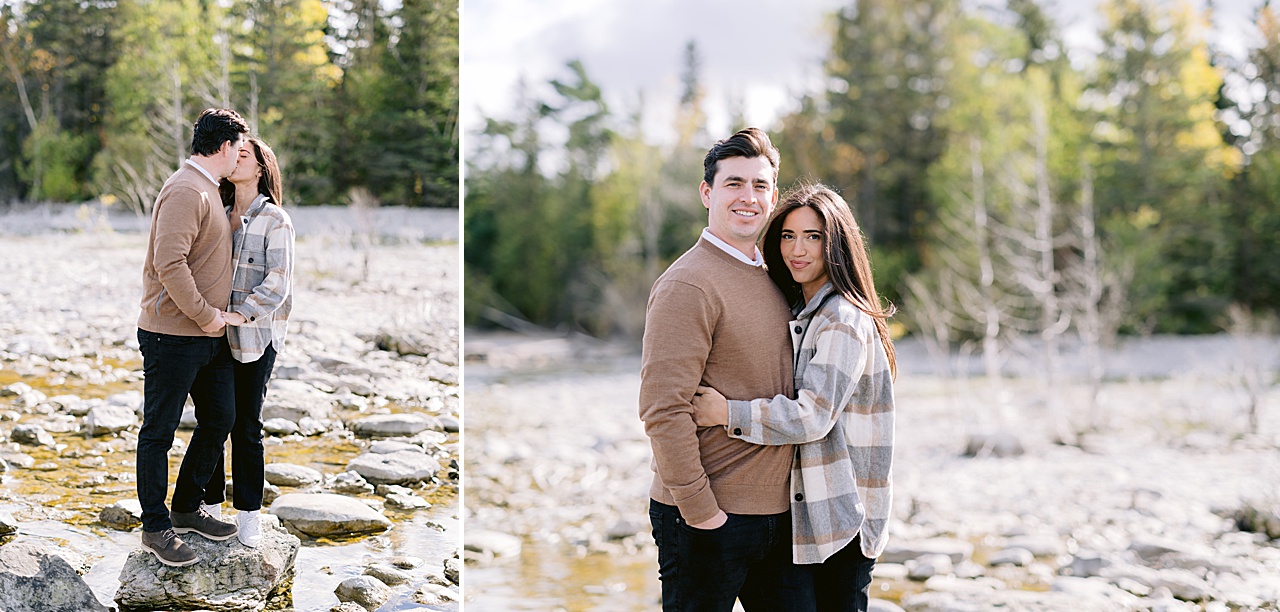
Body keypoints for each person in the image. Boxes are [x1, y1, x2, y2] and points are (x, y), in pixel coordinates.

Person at [691, 183, 897, 611]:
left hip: (841, 520)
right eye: (788, 236)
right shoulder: (804, 312)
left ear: (836, 244)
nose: (797, 250)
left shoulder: (841, 318)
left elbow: (813, 416)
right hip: (810, 520)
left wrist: (726, 412)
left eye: (813, 236)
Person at [639, 128, 803, 611]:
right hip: (709, 518)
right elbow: (661, 409)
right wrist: (702, 513)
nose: (748, 197)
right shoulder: (688, 283)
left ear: (773, 197)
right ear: (707, 193)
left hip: (780, 517)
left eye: (760, 185)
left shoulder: (775, 275)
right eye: (734, 183)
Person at [136, 108, 250, 566]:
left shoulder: (207, 188)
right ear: (223, 147)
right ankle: (156, 527)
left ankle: (185, 508)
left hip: (206, 334)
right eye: (239, 148)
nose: (241, 156)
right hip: (173, 334)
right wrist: (206, 317)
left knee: (221, 417)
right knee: (158, 432)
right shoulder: (186, 189)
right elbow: (170, 263)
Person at [201, 136, 295, 548]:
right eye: (233, 154)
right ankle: (211, 508)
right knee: (213, 423)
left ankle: (249, 517)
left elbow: (279, 280)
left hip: (255, 335)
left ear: (260, 168)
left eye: (243, 155)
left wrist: (242, 313)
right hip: (213, 333)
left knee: (246, 426)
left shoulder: (276, 219)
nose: (235, 160)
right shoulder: (218, 212)